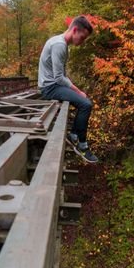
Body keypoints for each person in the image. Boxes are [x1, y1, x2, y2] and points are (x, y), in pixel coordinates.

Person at [38, 15, 98, 163]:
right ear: (75, 30)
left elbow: (62, 76)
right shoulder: (59, 45)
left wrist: (75, 91)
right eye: (82, 37)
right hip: (50, 88)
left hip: (54, 85)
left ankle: (73, 135)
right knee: (86, 104)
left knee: (83, 103)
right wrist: (78, 92)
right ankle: (82, 146)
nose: (82, 42)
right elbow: (59, 78)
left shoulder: (62, 44)